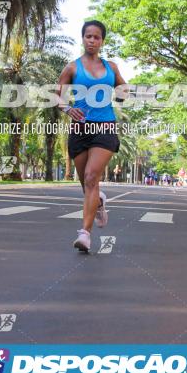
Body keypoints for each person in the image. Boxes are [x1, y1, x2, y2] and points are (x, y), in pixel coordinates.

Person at [56, 20, 126, 253]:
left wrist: (122, 93)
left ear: (102, 41)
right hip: (80, 128)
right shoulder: (72, 68)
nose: (92, 40)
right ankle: (99, 202)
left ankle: (85, 234)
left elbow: (123, 89)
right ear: (83, 38)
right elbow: (58, 97)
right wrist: (67, 109)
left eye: (96, 37)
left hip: (105, 126)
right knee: (85, 183)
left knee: (90, 177)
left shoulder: (112, 68)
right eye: (88, 36)